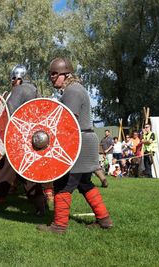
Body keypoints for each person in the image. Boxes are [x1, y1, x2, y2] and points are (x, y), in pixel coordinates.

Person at [38, 57, 113, 234]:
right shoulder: (75, 89)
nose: (52, 78)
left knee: (64, 183)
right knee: (85, 183)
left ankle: (59, 226)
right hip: (84, 140)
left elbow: (67, 121)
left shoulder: (71, 91)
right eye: (51, 74)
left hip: (78, 143)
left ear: (66, 74)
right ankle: (104, 219)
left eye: (55, 74)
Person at [0, 64, 47, 216]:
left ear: (18, 78)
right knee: (28, 175)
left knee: (0, 170)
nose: (12, 82)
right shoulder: (35, 91)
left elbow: (7, 113)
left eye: (13, 79)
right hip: (30, 140)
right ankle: (41, 206)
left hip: (15, 139)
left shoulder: (19, 90)